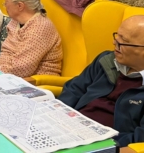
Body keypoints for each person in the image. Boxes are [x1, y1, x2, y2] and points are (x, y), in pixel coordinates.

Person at [58, 15, 144, 147]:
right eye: (117, 37)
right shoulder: (105, 60)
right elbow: (74, 89)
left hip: (105, 145)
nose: (114, 44)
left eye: (123, 42)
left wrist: (103, 144)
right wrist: (58, 117)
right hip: (68, 131)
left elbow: (139, 138)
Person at [0, 0, 62, 78]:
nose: (4, 5)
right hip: (11, 77)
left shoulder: (40, 28)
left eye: (6, 2)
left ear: (20, 6)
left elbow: (21, 68)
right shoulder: (15, 21)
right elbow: (6, 52)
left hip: (36, 84)